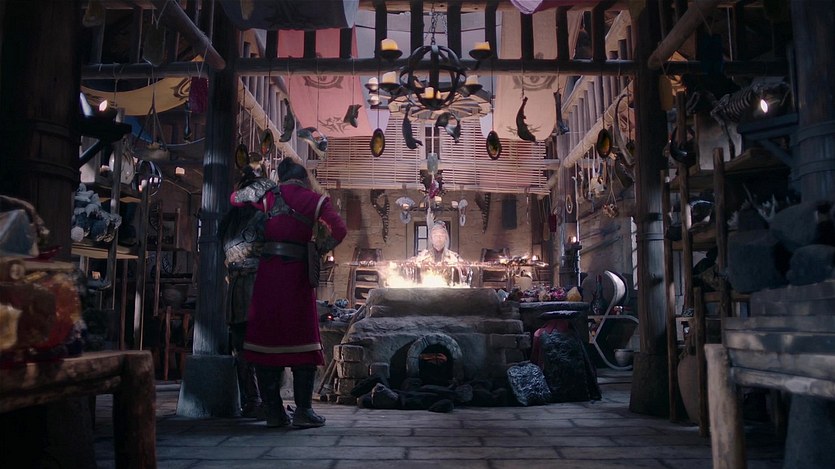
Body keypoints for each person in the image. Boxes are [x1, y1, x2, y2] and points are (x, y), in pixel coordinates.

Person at [230, 157, 347, 428]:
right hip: (297, 275)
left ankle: (273, 412)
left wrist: (259, 188)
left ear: (281, 178)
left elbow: (235, 199)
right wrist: (319, 248)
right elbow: (340, 230)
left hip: (269, 274)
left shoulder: (269, 197)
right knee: (302, 340)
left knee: (266, 340)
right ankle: (303, 412)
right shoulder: (316, 200)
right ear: (304, 178)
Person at [219, 166, 264, 418]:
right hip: (254, 287)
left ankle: (254, 400)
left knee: (244, 346)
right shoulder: (257, 217)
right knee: (255, 346)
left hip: (239, 287)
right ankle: (259, 400)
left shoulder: (231, 219)